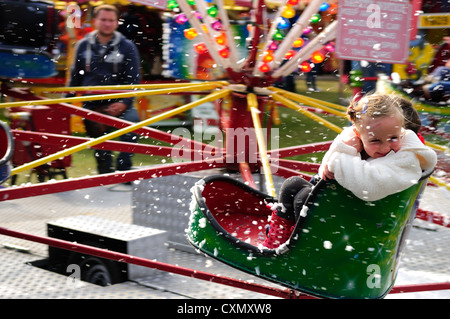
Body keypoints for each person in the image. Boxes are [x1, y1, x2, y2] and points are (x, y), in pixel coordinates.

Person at [263, 93, 437, 249]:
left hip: (361, 218)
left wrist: (344, 154)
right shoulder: (367, 141)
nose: (385, 147)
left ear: (403, 132)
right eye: (375, 140)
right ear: (358, 135)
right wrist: (337, 156)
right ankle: (277, 240)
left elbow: (368, 185)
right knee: (292, 185)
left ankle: (299, 243)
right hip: (347, 207)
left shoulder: (405, 158)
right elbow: (329, 164)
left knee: (305, 200)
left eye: (393, 138)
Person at [68, 4, 141, 174]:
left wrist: (124, 103)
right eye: (103, 20)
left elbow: (133, 79)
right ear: (95, 21)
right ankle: (105, 173)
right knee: (99, 144)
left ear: (117, 23)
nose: (107, 24)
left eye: (111, 20)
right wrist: (67, 102)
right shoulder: (82, 45)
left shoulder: (127, 47)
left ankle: (124, 171)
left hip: (120, 102)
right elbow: (75, 77)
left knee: (134, 127)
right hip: (92, 103)